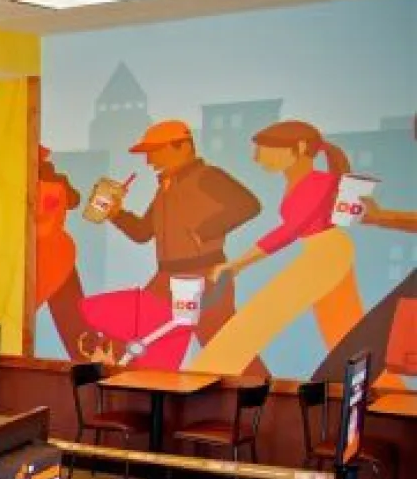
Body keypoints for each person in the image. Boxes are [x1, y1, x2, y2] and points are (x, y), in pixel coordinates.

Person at [191, 120, 364, 373]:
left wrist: (238, 264)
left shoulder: (317, 183)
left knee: (259, 317)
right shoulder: (303, 182)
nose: (257, 158)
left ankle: (208, 370)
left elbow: (288, 231)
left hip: (326, 254)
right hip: (325, 251)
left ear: (300, 147)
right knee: (344, 328)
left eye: (266, 150)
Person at [103, 120, 262, 358]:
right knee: (131, 334)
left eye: (155, 151)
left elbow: (248, 205)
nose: (148, 161)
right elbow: (143, 232)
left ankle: (261, 384)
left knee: (225, 349)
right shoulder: (166, 187)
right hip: (167, 278)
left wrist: (203, 231)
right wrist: (116, 214)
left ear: (183, 147)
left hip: (205, 276)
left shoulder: (207, 176)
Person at [34, 147, 90, 358]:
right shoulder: (58, 179)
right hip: (57, 252)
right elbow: (75, 199)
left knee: (70, 314)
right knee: (72, 317)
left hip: (42, 252)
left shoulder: (26, 180)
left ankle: (86, 357)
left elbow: (74, 200)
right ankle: (86, 359)